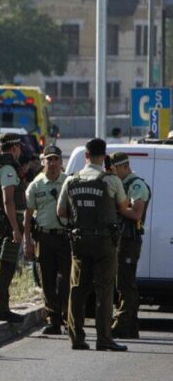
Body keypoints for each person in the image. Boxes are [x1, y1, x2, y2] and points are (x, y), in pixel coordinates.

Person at [57, 138, 129, 352]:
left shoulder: (71, 180)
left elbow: (60, 212)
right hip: (104, 243)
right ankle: (104, 339)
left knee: (77, 290)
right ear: (104, 156)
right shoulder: (111, 180)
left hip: (79, 241)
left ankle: (77, 339)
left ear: (86, 156)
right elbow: (124, 207)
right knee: (104, 291)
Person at [23, 145, 69, 335]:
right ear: (43, 162)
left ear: (61, 161)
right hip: (43, 237)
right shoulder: (36, 185)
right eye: (48, 159)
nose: (52, 163)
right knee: (47, 280)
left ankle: (68, 318)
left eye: (55, 159)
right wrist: (28, 241)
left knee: (65, 280)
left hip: (65, 238)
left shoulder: (68, 182)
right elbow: (27, 215)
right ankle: (54, 321)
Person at [0, 132, 27, 323]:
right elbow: (8, 200)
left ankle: (1, 307)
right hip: (7, 223)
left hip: (3, 222)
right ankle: (1, 309)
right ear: (14, 148)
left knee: (6, 265)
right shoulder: (7, 168)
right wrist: (16, 229)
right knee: (6, 265)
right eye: (19, 148)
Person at [109, 152, 151, 339]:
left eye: (114, 169)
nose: (112, 172)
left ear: (124, 167)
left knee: (125, 284)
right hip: (120, 240)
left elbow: (136, 214)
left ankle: (122, 322)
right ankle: (131, 326)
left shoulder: (136, 185)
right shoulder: (122, 184)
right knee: (123, 282)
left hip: (129, 240)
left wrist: (117, 206)